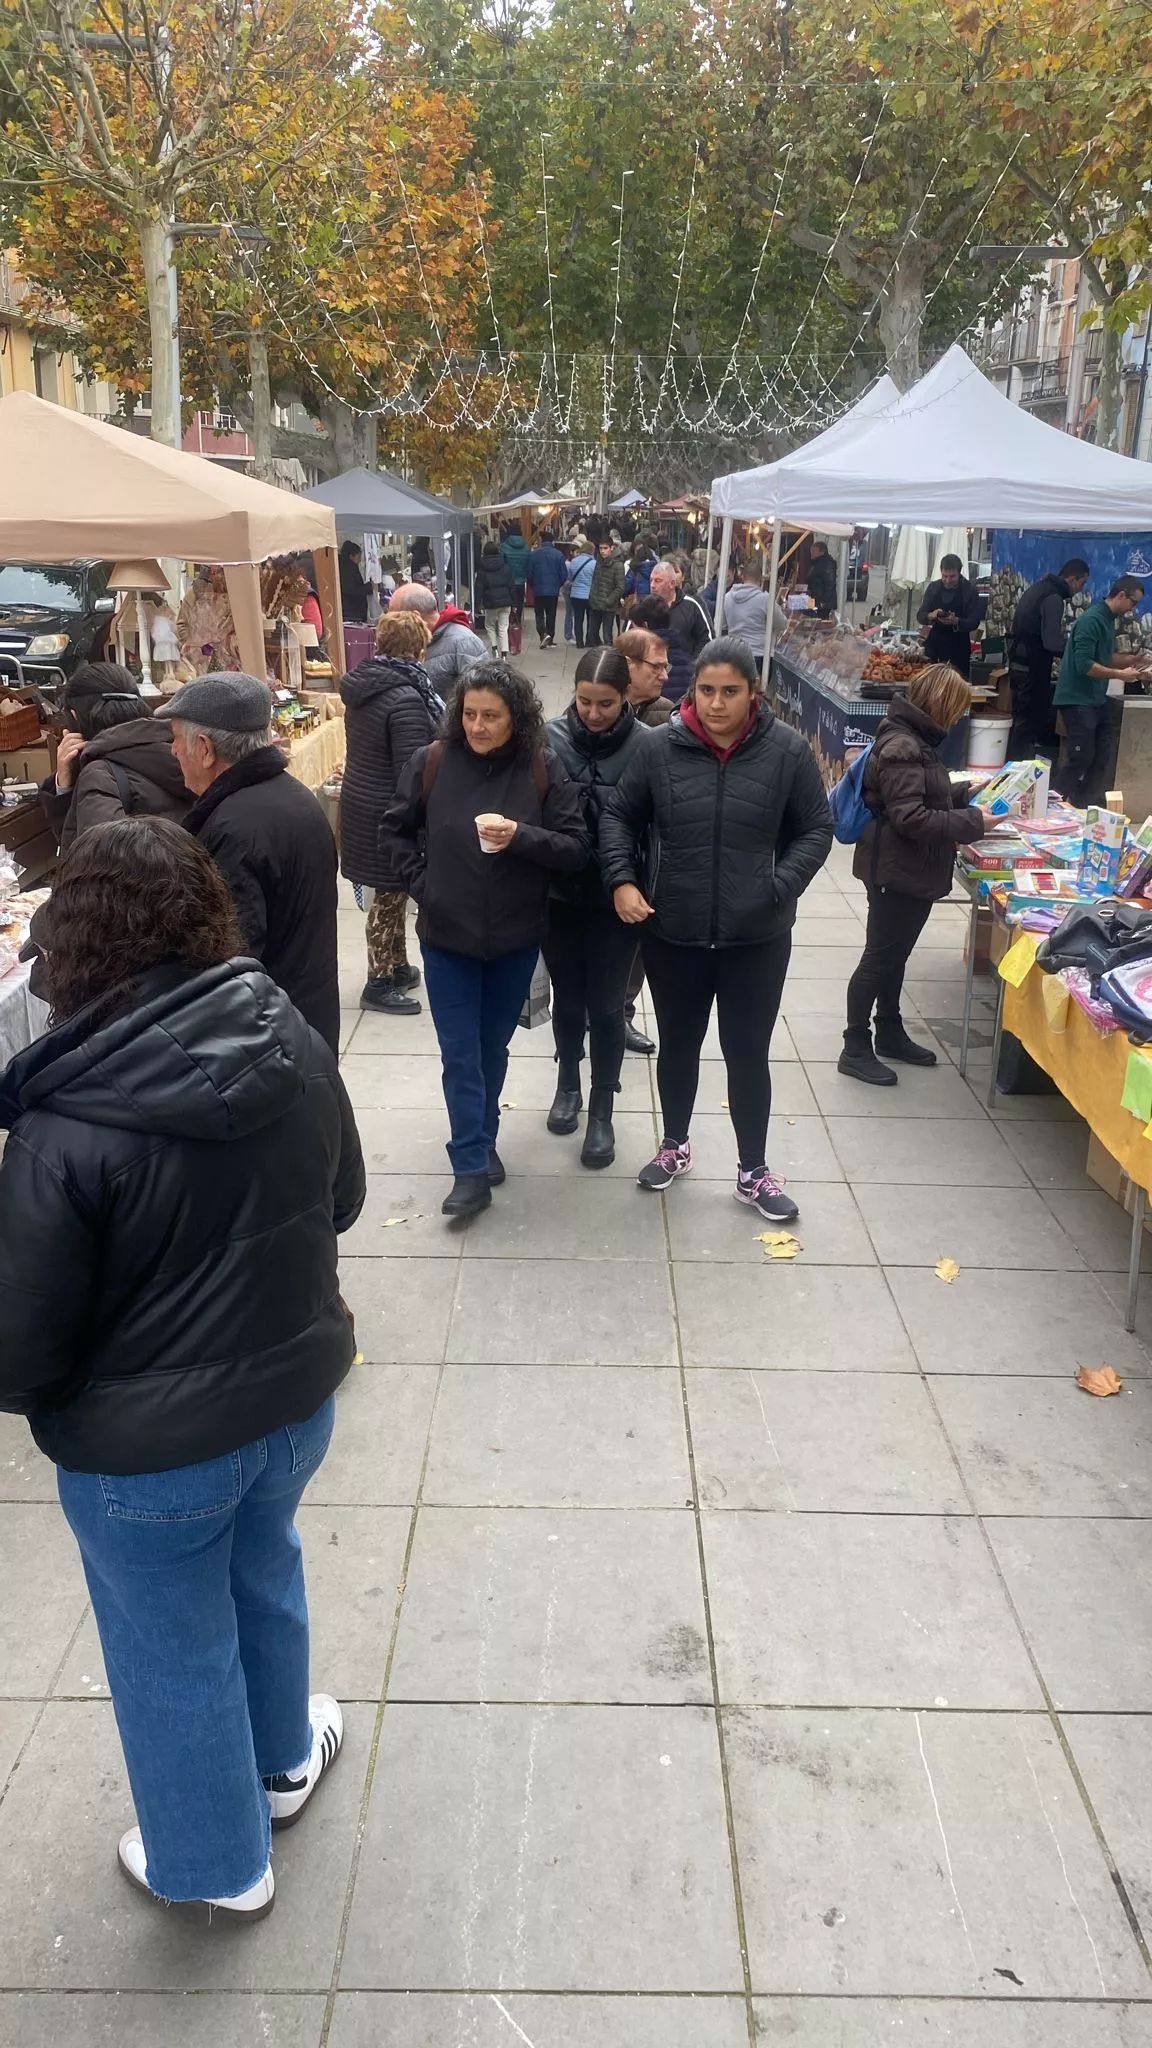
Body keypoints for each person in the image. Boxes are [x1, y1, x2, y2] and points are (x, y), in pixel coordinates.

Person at [0, 818, 365, 1920]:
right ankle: (283, 1757)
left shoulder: (65, 1121)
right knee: (264, 1564)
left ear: (76, 939)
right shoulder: (287, 1034)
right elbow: (342, 1198)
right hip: (295, 1400)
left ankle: (214, 1861)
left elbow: (20, 1350)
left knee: (170, 1649)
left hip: (149, 1455)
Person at [600, 636, 833, 1219]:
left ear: (753, 693)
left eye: (730, 692)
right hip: (673, 932)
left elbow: (815, 828)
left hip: (756, 937)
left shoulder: (787, 752)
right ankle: (674, 1143)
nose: (717, 704)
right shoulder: (657, 749)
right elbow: (618, 816)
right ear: (692, 690)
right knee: (678, 1043)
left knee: (747, 1050)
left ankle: (753, 1170)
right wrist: (623, 881)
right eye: (706, 690)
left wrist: (778, 887)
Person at [380, 661, 589, 1218]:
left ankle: (483, 1134)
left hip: (516, 939)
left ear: (515, 718)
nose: (477, 726)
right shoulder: (432, 763)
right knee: (459, 1055)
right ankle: (469, 1166)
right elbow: (393, 830)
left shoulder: (542, 768)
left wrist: (521, 836)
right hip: (446, 937)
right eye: (469, 714)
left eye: (490, 716)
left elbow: (574, 847)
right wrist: (426, 886)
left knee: (490, 1047)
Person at [166, 674, 340, 1055]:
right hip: (304, 1020)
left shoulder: (235, 827)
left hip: (268, 1041)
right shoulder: (292, 797)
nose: (172, 750)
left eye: (176, 738)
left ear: (205, 749)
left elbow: (232, 957)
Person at [838, 664, 992, 1086]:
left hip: (904, 867)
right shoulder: (903, 745)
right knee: (880, 957)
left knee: (894, 955)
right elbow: (911, 817)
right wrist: (976, 822)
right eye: (957, 707)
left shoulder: (914, 739)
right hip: (896, 869)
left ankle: (889, 1029)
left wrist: (963, 793)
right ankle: (854, 1046)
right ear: (940, 703)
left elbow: (919, 793)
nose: (959, 716)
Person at [542, 648, 651, 1166]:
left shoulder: (649, 746)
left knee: (607, 1004)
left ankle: (602, 1108)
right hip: (559, 893)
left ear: (625, 697)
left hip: (618, 896)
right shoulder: (549, 737)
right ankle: (568, 1085)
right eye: (584, 701)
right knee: (567, 997)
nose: (592, 713)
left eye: (605, 703)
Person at [339, 609, 444, 1016]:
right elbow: (411, 765)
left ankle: (397, 965)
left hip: (362, 800)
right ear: (418, 647)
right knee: (388, 893)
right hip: (388, 808)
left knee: (394, 890)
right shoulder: (406, 696)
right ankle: (378, 980)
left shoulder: (365, 686)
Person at [40, 661, 191, 851]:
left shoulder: (100, 775)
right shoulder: (181, 749)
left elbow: (90, 860)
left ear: (75, 716)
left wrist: (64, 791)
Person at [1053, 576, 1147, 806]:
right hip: (1077, 697)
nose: (1133, 609)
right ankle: (1051, 801)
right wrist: (1121, 675)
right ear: (1121, 595)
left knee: (1103, 755)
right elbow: (1085, 665)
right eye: (1133, 603)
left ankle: (1082, 804)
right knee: (1081, 756)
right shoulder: (1091, 620)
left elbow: (1106, 658)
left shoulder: (1108, 620)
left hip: (1095, 698)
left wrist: (1131, 662)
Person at [1008, 558, 1091, 760]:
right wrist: (1077, 652)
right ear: (1072, 578)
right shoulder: (1053, 598)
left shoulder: (1038, 589)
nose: (1081, 589)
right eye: (1082, 583)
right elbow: (1052, 642)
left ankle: (1012, 769)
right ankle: (1019, 776)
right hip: (1032, 671)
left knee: (1020, 723)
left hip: (1018, 665)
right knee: (1028, 726)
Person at [390, 581, 487, 693]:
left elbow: (480, 696)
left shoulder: (465, 642)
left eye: (395, 616)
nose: (391, 623)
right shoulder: (407, 644)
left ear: (415, 616)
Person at [650, 560, 711, 699]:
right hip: (651, 681)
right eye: (651, 580)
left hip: (683, 681)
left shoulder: (692, 605)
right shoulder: (644, 607)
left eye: (658, 581)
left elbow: (706, 638)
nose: (652, 585)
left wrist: (694, 666)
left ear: (672, 584)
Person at [917, 554, 981, 678]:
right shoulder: (933, 588)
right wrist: (931, 615)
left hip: (959, 648)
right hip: (935, 645)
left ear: (959, 572)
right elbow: (920, 615)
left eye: (952, 577)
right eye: (944, 576)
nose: (947, 580)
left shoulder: (969, 590)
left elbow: (974, 621)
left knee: (956, 686)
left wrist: (957, 621)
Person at [617, 627, 674, 727]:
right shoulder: (599, 711)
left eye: (665, 667)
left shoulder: (668, 714)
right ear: (627, 665)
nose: (665, 677)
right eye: (656, 667)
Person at [722, 563, 775, 664]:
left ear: (743, 577)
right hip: (758, 655)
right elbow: (782, 623)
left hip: (734, 653)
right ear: (760, 580)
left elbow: (722, 624)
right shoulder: (765, 599)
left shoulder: (727, 597)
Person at [475, 538, 515, 656]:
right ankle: (504, 653)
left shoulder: (482, 569)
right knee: (503, 627)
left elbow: (479, 588)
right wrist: (514, 603)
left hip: (490, 602)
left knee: (490, 625)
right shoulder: (506, 567)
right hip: (505, 601)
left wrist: (477, 605)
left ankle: (494, 648)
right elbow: (511, 586)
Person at [527, 530, 567, 648]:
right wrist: (557, 585)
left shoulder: (534, 554)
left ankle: (543, 634)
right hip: (553, 590)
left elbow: (529, 573)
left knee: (539, 614)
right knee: (551, 614)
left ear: (541, 541)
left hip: (538, 589)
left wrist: (533, 585)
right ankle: (550, 636)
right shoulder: (559, 554)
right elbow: (563, 574)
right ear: (552, 541)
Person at [588, 538, 627, 646]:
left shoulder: (618, 565)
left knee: (607, 635)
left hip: (608, 605)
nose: (602, 551)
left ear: (612, 548)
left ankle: (607, 657)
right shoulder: (598, 563)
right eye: (600, 548)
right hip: (595, 604)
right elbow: (595, 581)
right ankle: (599, 654)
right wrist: (592, 597)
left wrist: (609, 600)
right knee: (592, 633)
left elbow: (620, 587)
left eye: (605, 548)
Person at [564, 536, 597, 648]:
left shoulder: (574, 561)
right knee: (590, 619)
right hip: (589, 595)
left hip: (576, 594)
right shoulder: (594, 563)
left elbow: (570, 577)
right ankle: (588, 640)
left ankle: (579, 642)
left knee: (578, 619)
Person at [501, 524, 531, 625]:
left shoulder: (504, 546)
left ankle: (509, 622)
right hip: (521, 580)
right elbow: (529, 563)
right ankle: (517, 622)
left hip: (507, 581)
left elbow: (501, 563)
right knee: (519, 602)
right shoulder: (526, 546)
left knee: (509, 602)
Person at [805, 540, 838, 620]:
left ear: (821, 551)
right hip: (815, 600)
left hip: (823, 603)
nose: (811, 553)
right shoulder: (816, 563)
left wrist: (823, 602)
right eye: (811, 551)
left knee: (821, 622)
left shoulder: (827, 563)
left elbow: (830, 584)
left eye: (814, 551)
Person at [338, 540, 370, 625]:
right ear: (351, 556)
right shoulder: (348, 569)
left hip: (350, 610)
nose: (360, 560)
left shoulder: (344, 566)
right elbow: (351, 589)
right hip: (352, 612)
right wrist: (368, 587)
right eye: (358, 557)